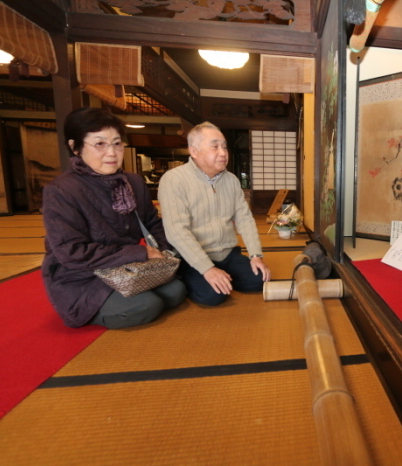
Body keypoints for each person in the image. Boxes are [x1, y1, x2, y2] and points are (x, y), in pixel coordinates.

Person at [42, 107, 186, 329]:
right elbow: (71, 253)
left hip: (125, 268)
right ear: (75, 147)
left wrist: (164, 251)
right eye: (100, 144)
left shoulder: (133, 182)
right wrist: (141, 252)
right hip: (83, 277)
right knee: (145, 306)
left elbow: (152, 223)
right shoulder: (61, 191)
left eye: (117, 143)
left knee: (176, 291)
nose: (111, 152)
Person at [158, 121, 271, 306]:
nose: (223, 152)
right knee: (213, 296)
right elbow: (176, 231)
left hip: (228, 253)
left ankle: (223, 277)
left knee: (259, 280)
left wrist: (255, 255)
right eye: (215, 146)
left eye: (225, 147)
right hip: (193, 257)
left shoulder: (231, 180)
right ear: (193, 151)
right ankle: (195, 278)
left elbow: (244, 218)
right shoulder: (173, 180)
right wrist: (207, 268)